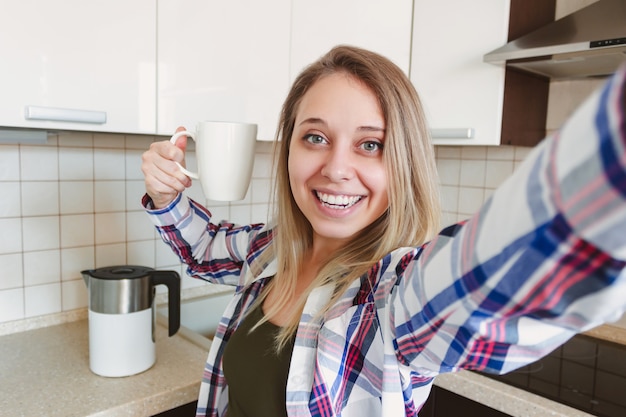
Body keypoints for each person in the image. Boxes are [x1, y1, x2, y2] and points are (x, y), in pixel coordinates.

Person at [141, 45, 626, 417]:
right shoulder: (271, 250)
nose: (336, 168)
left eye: (371, 144)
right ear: (288, 146)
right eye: (315, 137)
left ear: (404, 165)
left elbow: (503, 271)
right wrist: (168, 197)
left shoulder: (389, 298)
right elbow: (203, 248)